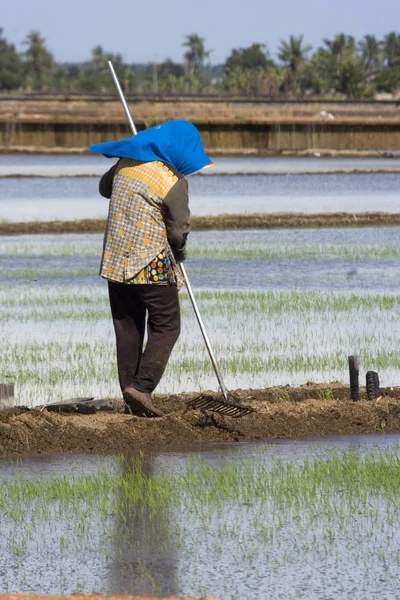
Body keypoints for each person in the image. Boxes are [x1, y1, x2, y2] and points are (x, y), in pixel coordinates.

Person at [89, 120, 213, 417]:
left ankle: (131, 394)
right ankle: (142, 389)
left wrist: (132, 153)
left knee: (128, 327)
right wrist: (180, 256)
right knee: (167, 326)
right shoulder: (172, 180)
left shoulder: (124, 166)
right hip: (152, 264)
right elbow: (178, 230)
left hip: (116, 262)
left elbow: (104, 188)